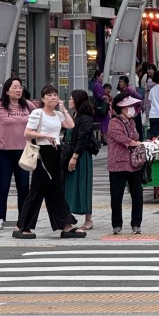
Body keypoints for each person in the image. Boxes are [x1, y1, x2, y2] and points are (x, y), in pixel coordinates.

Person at [13, 85, 86, 240]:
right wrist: (44, 135)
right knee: (37, 190)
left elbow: (71, 125)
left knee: (57, 189)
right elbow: (27, 133)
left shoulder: (58, 115)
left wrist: (64, 109)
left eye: (55, 95)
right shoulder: (37, 113)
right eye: (49, 95)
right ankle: (22, 225)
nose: (53, 97)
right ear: (43, 99)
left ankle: (66, 224)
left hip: (56, 153)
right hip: (42, 153)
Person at [0, 77, 36, 230]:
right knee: (3, 186)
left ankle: (22, 218)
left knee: (24, 186)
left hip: (23, 151)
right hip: (4, 152)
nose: (18, 90)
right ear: (7, 91)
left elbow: (39, 117)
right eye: (15, 87)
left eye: (20, 87)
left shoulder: (27, 105)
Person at [107, 92, 145, 234]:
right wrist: (136, 143)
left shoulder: (132, 121)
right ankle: (117, 224)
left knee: (137, 194)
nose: (132, 109)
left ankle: (136, 223)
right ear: (122, 107)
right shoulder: (114, 122)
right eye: (129, 106)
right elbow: (123, 139)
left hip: (134, 163)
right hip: (118, 163)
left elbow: (135, 135)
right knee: (116, 195)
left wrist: (136, 141)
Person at [63, 89, 96, 232]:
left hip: (81, 156)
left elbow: (82, 139)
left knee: (83, 185)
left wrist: (75, 157)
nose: (69, 101)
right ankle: (69, 217)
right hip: (71, 154)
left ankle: (88, 219)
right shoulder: (74, 116)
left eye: (71, 98)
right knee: (70, 186)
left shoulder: (85, 118)